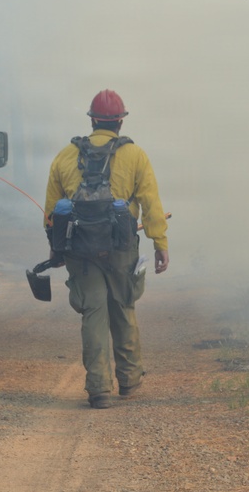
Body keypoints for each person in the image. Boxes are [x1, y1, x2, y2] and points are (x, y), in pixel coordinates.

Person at [45, 89, 169, 409]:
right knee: (123, 307)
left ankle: (98, 388)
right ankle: (129, 381)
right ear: (120, 122)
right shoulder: (135, 155)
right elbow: (152, 206)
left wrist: (57, 252)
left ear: (92, 120)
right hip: (121, 248)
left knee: (94, 312)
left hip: (80, 251)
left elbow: (51, 213)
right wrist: (160, 244)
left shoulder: (64, 156)